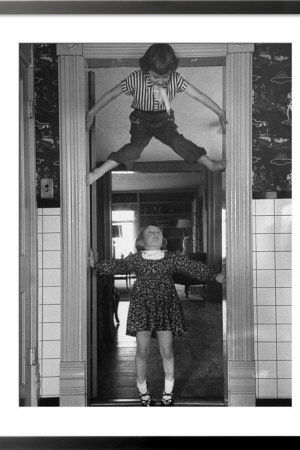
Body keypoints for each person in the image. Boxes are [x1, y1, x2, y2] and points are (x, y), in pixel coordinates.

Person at [89, 225, 223, 406]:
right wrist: (96, 264)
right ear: (141, 242)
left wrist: (214, 276)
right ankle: (142, 390)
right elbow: (117, 265)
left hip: (165, 307)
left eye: (158, 232)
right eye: (150, 233)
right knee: (142, 351)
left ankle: (168, 391)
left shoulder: (171, 258)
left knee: (166, 351)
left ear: (163, 239)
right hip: (142, 307)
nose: (155, 234)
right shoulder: (135, 259)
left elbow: (192, 267)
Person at [86, 43, 227, 184]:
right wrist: (92, 112)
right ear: (147, 68)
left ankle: (210, 164)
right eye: (155, 77)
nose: (160, 81)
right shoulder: (135, 78)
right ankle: (99, 172)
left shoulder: (176, 79)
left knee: (177, 142)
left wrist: (219, 112)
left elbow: (198, 95)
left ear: (172, 70)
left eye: (165, 77)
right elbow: (111, 94)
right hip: (140, 120)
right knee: (134, 149)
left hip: (164, 121)